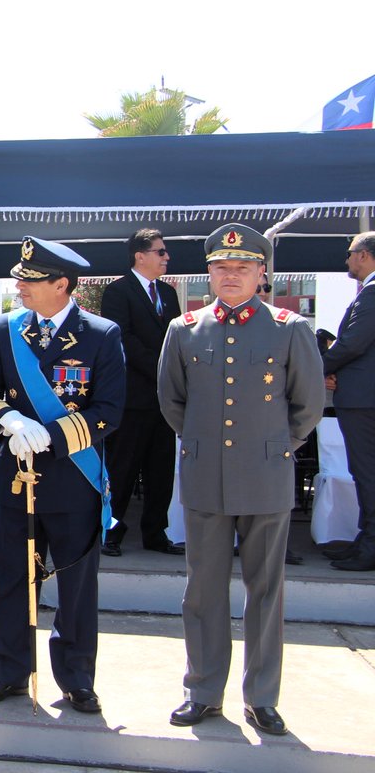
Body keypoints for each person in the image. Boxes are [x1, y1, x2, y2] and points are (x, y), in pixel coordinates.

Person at [159, 223, 323, 736]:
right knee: (202, 592)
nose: (231, 275)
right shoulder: (184, 329)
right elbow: (172, 401)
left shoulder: (288, 327)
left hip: (267, 476)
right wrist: (209, 445)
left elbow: (308, 404)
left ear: (261, 272)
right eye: (221, 267)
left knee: (266, 591)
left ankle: (262, 697)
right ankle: (203, 691)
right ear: (208, 272)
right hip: (207, 477)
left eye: (243, 267)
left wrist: (275, 445)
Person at [0, 236, 125, 714]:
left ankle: (77, 678)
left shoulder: (101, 333)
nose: (20, 287)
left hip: (73, 481)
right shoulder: (5, 330)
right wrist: (10, 421)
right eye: (20, 279)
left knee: (77, 588)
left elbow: (109, 410)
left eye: (31, 281)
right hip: (17, 478)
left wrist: (52, 438)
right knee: (13, 579)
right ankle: (8, 671)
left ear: (62, 284)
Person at [99, 228, 184, 557]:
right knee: (123, 467)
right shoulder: (118, 292)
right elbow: (124, 339)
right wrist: (161, 368)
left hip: (164, 400)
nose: (166, 258)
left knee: (160, 470)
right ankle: (111, 532)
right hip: (133, 398)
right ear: (140, 255)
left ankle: (155, 534)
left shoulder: (168, 293)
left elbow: (177, 336)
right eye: (160, 252)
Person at [322, 231, 375, 571]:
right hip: (362, 396)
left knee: (367, 472)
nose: (347, 260)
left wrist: (314, 368)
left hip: (364, 400)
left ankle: (370, 547)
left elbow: (353, 343)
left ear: (365, 255)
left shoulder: (371, 294)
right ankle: (365, 539)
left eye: (350, 253)